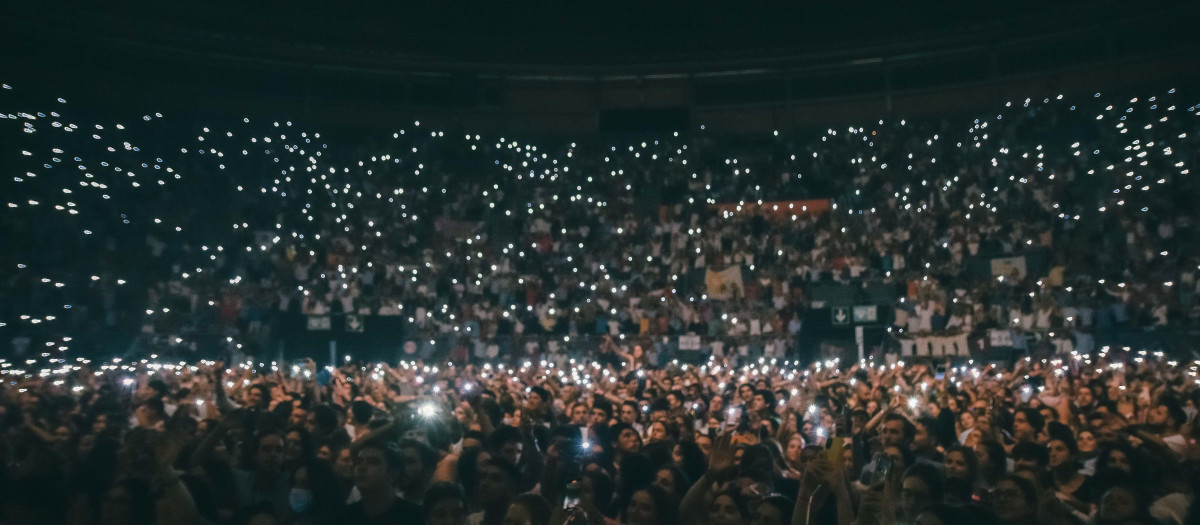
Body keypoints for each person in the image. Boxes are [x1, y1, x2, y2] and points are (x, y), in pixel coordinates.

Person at [343, 439, 424, 525]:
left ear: (392, 475)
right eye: (358, 462)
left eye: (373, 462)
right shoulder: (345, 516)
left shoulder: (414, 516)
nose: (361, 467)